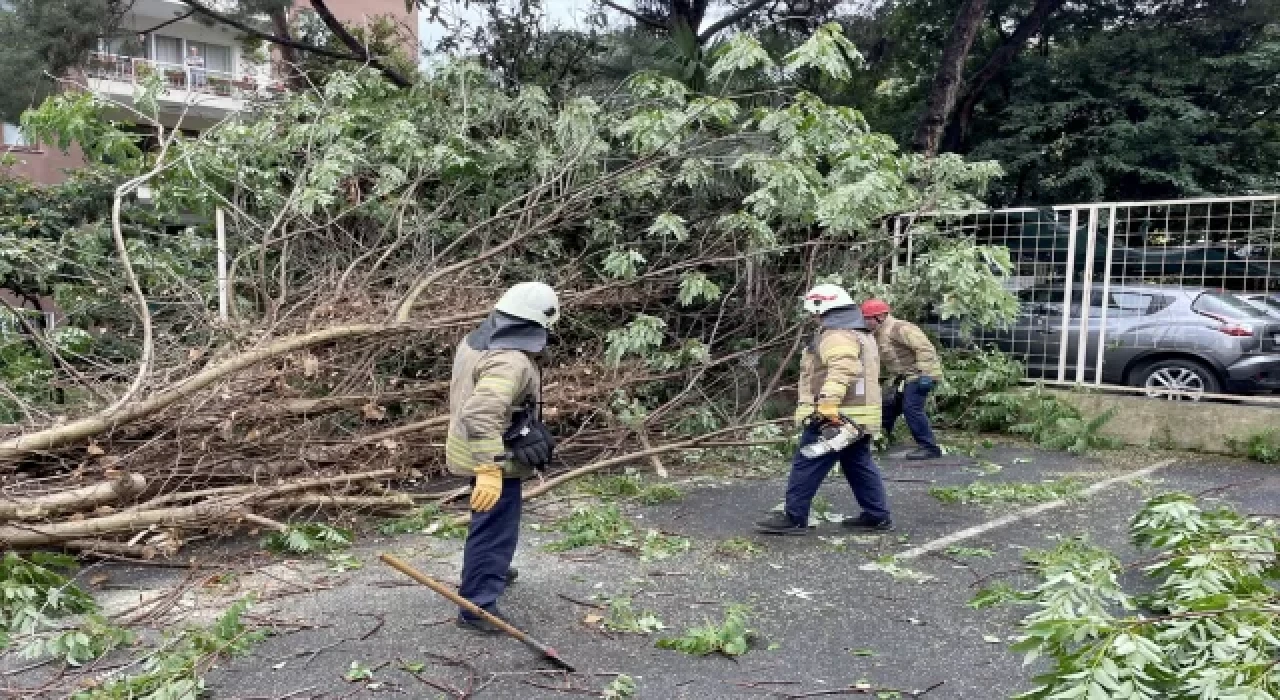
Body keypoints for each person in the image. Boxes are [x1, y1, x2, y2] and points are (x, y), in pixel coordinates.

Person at [447, 282, 559, 633]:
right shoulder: (510, 361)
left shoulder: (476, 341)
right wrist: (489, 469)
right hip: (492, 456)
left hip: (471, 446)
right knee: (494, 529)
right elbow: (481, 414)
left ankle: (490, 568)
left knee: (491, 523)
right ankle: (477, 605)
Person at [756, 284, 893, 535]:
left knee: (807, 463)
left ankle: (794, 517)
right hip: (859, 417)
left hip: (836, 417)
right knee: (859, 465)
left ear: (823, 308)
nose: (813, 317)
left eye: (814, 312)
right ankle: (877, 516)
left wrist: (828, 403)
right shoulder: (861, 333)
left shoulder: (838, 335)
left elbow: (842, 369)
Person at [861, 299, 943, 460]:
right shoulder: (877, 333)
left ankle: (930, 448)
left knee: (911, 408)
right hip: (904, 377)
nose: (866, 322)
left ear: (880, 316)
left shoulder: (900, 328)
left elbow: (925, 349)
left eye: (868, 318)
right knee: (888, 407)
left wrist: (926, 374)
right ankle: (881, 439)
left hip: (919, 375)